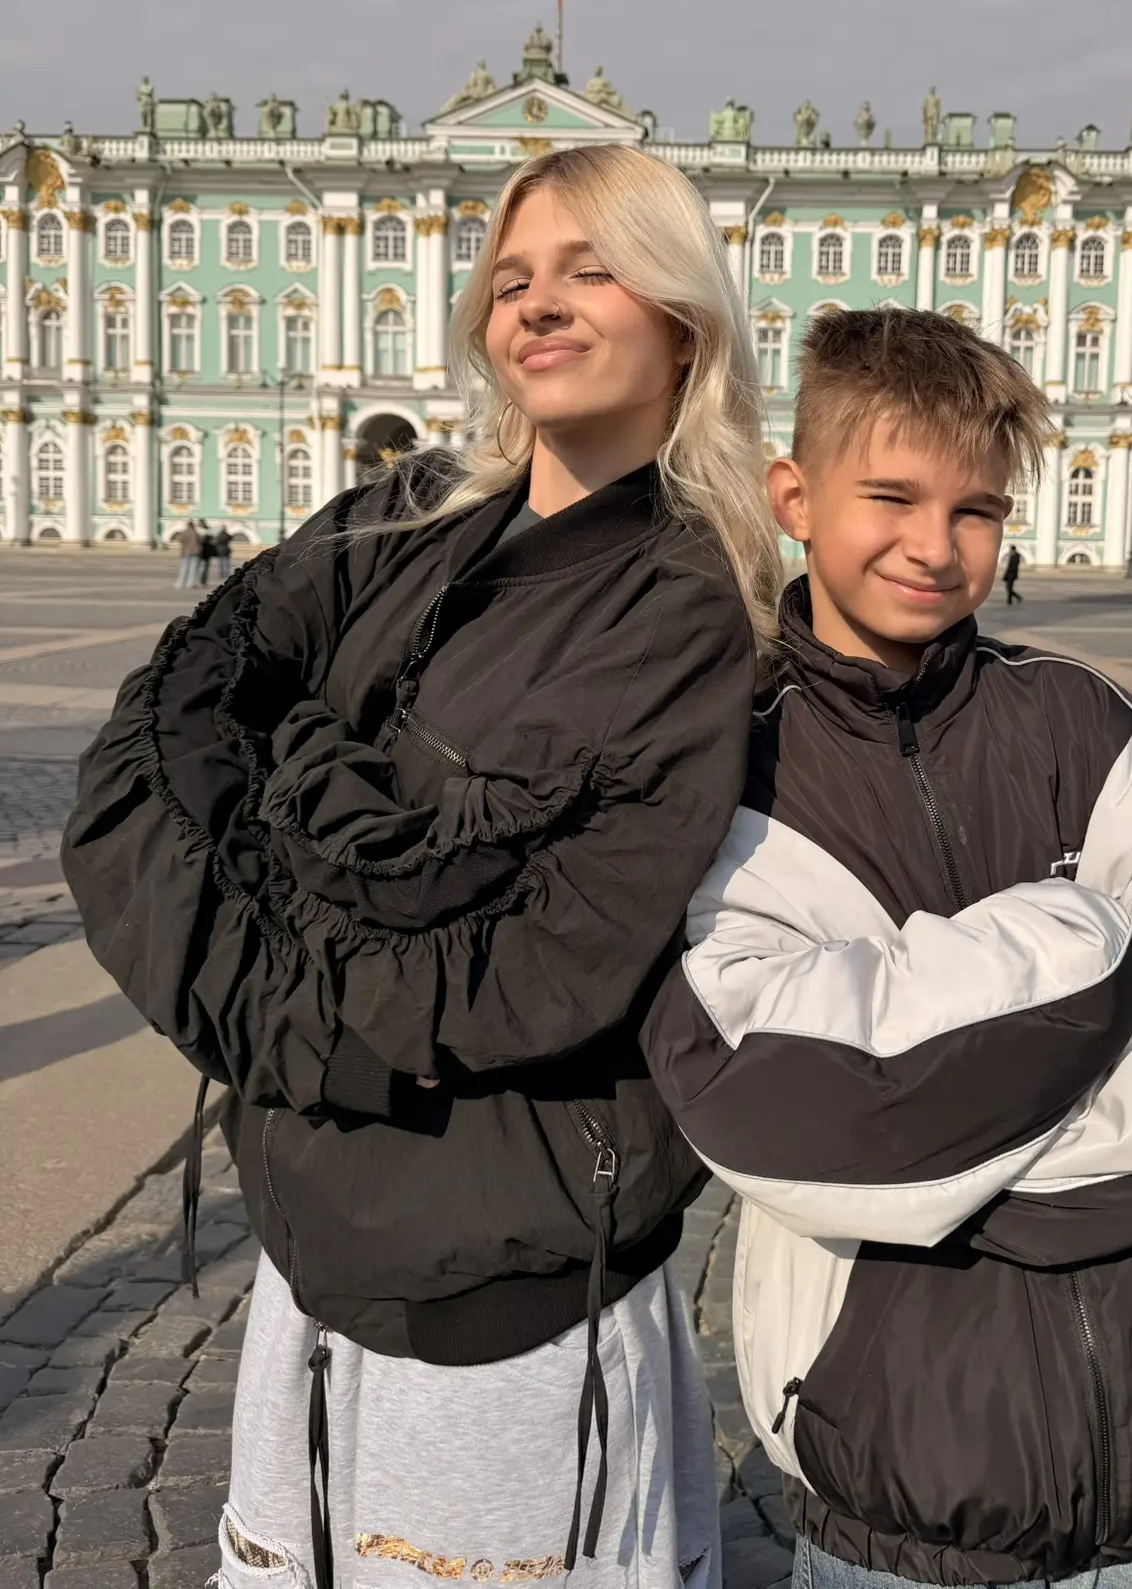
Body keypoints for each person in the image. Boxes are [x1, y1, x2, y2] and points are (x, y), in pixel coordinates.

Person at [63, 144, 782, 1589]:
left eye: (592, 269)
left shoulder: (688, 604)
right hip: (313, 1232)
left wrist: (281, 795)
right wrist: (333, 863)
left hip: (505, 1285)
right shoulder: (410, 514)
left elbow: (532, 965)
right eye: (512, 280)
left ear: (685, 318)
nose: (539, 304)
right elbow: (157, 735)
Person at [644, 309, 1132, 1589]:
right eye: (890, 497)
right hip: (896, 1496)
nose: (935, 546)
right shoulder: (724, 773)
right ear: (794, 497)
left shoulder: (1098, 732)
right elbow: (774, 1105)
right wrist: (1087, 939)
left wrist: (935, 1157)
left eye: (978, 511)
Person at [175, 519, 202, 590]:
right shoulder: (195, 532)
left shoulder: (184, 532)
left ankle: (180, 583)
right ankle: (190, 584)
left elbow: (180, 540)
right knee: (193, 569)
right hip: (195, 552)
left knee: (184, 568)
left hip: (186, 551)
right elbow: (200, 540)